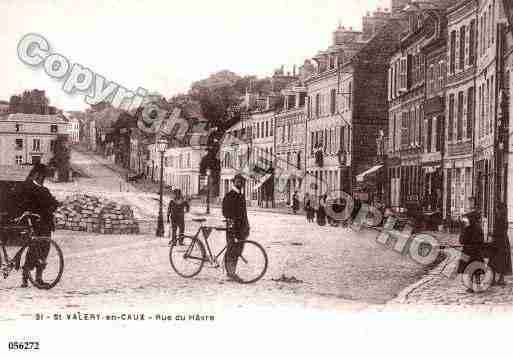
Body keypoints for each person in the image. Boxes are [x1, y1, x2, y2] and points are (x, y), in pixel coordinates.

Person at [12, 164, 60, 288]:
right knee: (36, 251)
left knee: (40, 251)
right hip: (38, 224)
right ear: (38, 175)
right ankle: (30, 277)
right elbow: (52, 204)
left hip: (42, 224)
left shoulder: (38, 188)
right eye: (42, 176)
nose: (43, 179)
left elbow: (52, 203)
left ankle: (33, 278)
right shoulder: (35, 189)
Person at [222, 173, 250, 280]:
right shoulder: (229, 195)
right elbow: (225, 212)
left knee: (238, 250)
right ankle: (231, 273)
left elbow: (244, 213)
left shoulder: (241, 196)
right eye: (238, 181)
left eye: (241, 182)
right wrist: (231, 226)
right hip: (233, 228)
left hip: (241, 228)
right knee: (232, 250)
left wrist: (247, 225)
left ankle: (232, 271)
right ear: (234, 182)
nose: (240, 183)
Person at [456, 210, 485, 293]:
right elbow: (481, 240)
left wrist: (462, 230)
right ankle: (478, 286)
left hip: (467, 251)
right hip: (477, 251)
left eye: (468, 218)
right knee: (477, 270)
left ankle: (470, 287)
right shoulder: (479, 228)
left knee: (468, 269)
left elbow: (461, 241)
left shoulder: (467, 228)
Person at [489, 202, 512, 286]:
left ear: (500, 210)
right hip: (502, 242)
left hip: (499, 242)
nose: (496, 211)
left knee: (497, 261)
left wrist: (493, 235)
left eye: (497, 209)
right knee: (499, 261)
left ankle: (498, 279)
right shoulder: (502, 219)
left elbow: (500, 232)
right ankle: (498, 279)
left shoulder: (500, 219)